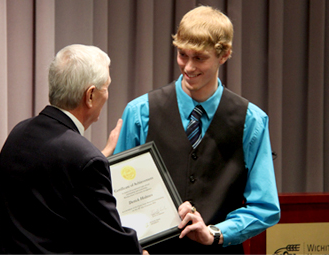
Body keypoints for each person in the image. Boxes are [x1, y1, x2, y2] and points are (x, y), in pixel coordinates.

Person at [114, 6, 280, 254]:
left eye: (199, 58)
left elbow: (265, 206)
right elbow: (118, 197)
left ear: (224, 55)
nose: (188, 67)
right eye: (182, 55)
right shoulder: (139, 113)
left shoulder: (251, 121)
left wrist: (215, 233)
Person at [0, 44, 146, 254]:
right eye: (106, 87)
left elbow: (51, 183)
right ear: (90, 95)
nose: (108, 94)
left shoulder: (19, 133)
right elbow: (112, 242)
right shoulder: (83, 158)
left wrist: (102, 153)